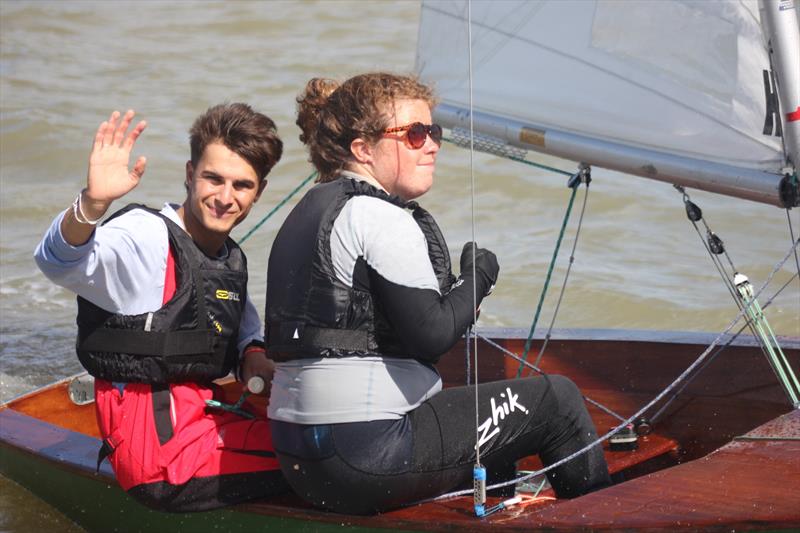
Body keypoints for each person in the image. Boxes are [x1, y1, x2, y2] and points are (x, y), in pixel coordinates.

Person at [264, 73, 612, 515]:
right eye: (413, 134)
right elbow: (432, 335)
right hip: (363, 453)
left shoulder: (310, 211)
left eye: (434, 132)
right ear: (363, 150)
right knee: (557, 401)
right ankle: (605, 518)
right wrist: (479, 275)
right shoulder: (378, 215)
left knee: (494, 429)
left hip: (301, 458)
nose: (431, 145)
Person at [34, 104, 288, 512]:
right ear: (190, 174)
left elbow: (235, 318)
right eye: (213, 179)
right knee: (324, 457)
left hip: (199, 425)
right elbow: (56, 261)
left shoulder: (227, 256)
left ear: (259, 192)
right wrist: (92, 205)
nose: (225, 198)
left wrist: (251, 352)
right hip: (161, 461)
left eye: (241, 185)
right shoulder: (145, 238)